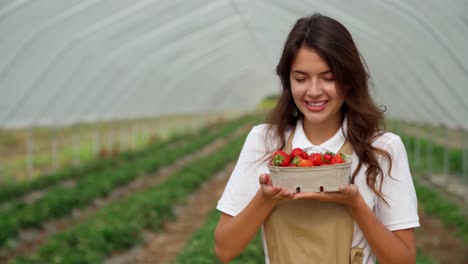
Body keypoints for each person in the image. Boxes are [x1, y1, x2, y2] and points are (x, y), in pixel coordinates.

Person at [214, 13, 420, 264]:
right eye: (301, 78)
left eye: (328, 78)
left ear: (349, 79)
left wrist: (355, 204)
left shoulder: (381, 148)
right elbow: (225, 249)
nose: (313, 91)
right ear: (288, 81)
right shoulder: (265, 141)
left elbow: (404, 259)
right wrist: (264, 199)